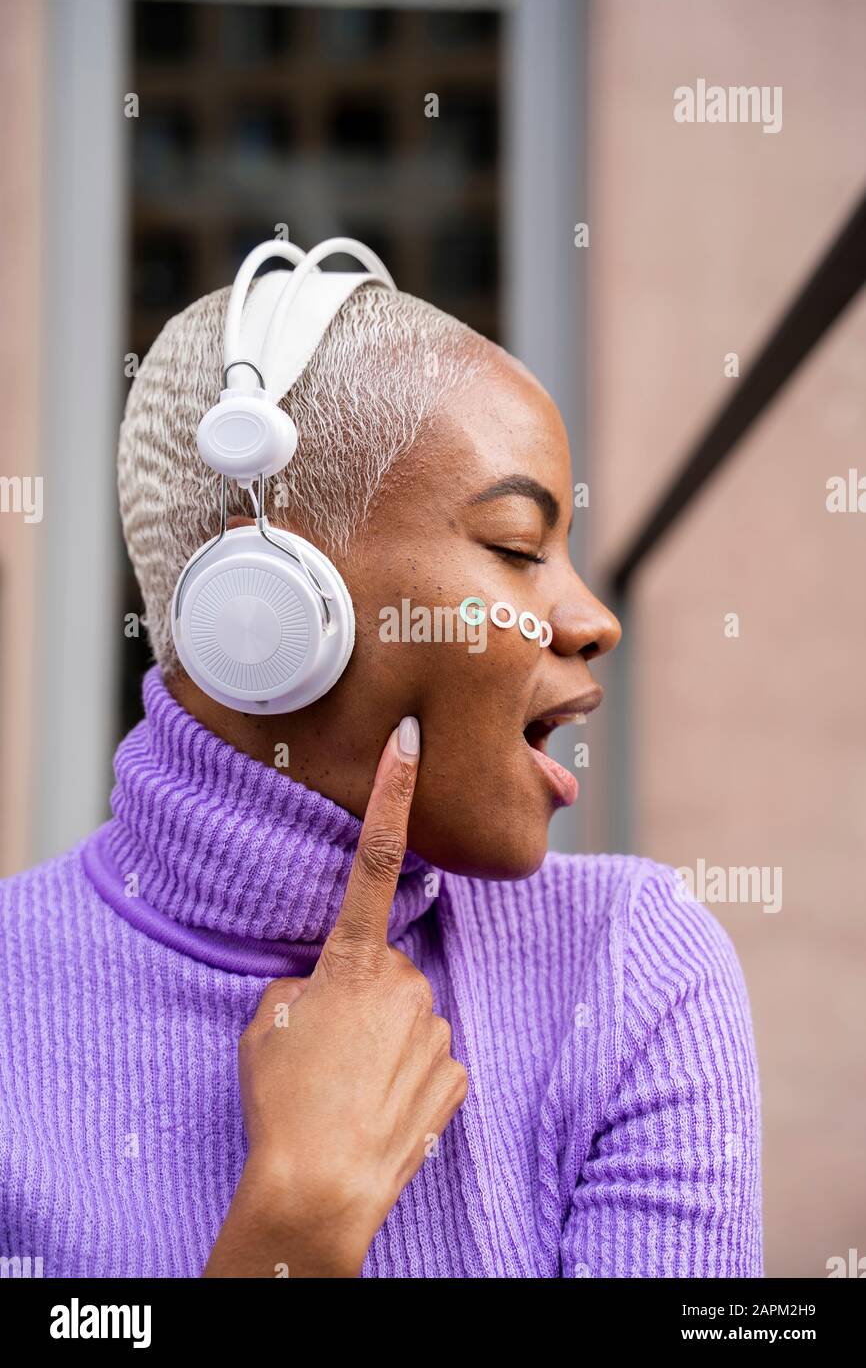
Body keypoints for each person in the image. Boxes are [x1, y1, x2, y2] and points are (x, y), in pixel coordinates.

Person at [0, 278, 762, 1277]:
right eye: (515, 546)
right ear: (262, 602)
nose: (591, 620)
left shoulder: (631, 967)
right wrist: (295, 1226)